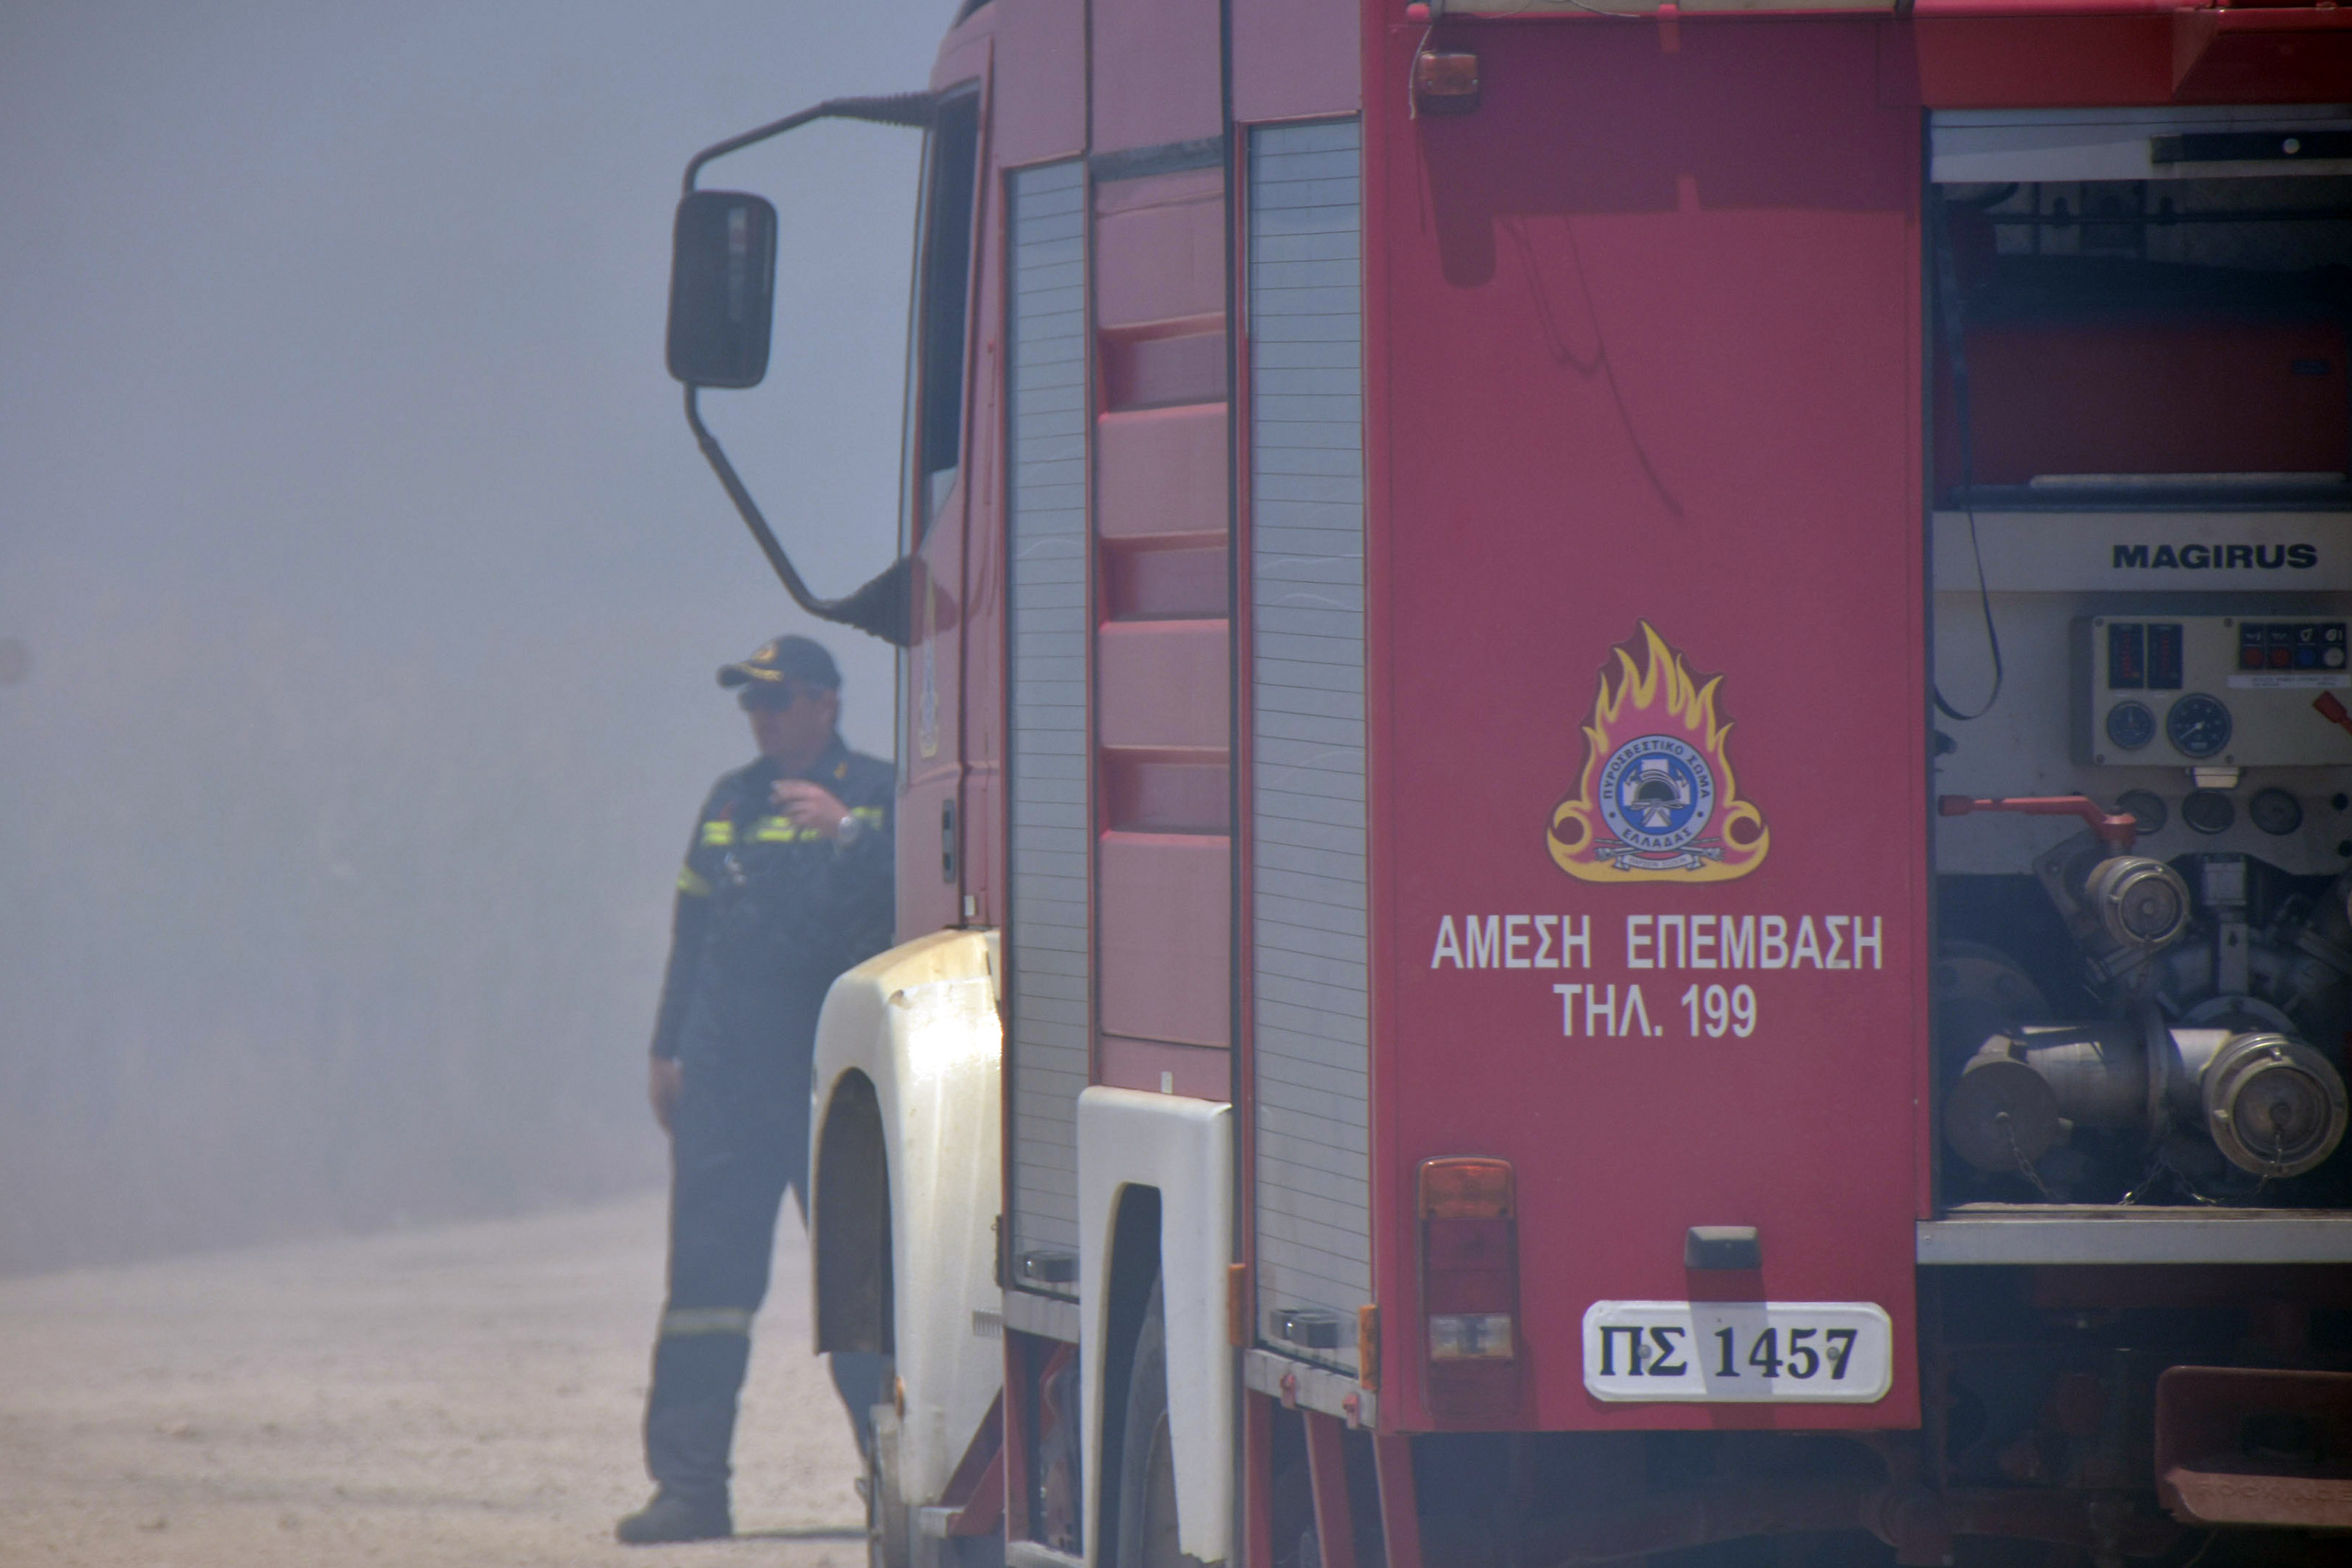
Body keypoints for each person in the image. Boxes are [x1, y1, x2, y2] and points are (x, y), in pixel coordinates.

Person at [617, 634, 895, 1546]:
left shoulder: (880, 795)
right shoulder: (728, 801)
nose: (761, 717)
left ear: (825, 703)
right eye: (751, 703)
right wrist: (666, 1051)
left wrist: (846, 833)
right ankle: (691, 1492)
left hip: (838, 1093)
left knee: (864, 1293)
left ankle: (895, 1481)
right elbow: (690, 931)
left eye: (777, 700)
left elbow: (920, 904)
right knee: (704, 1296)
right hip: (727, 1086)